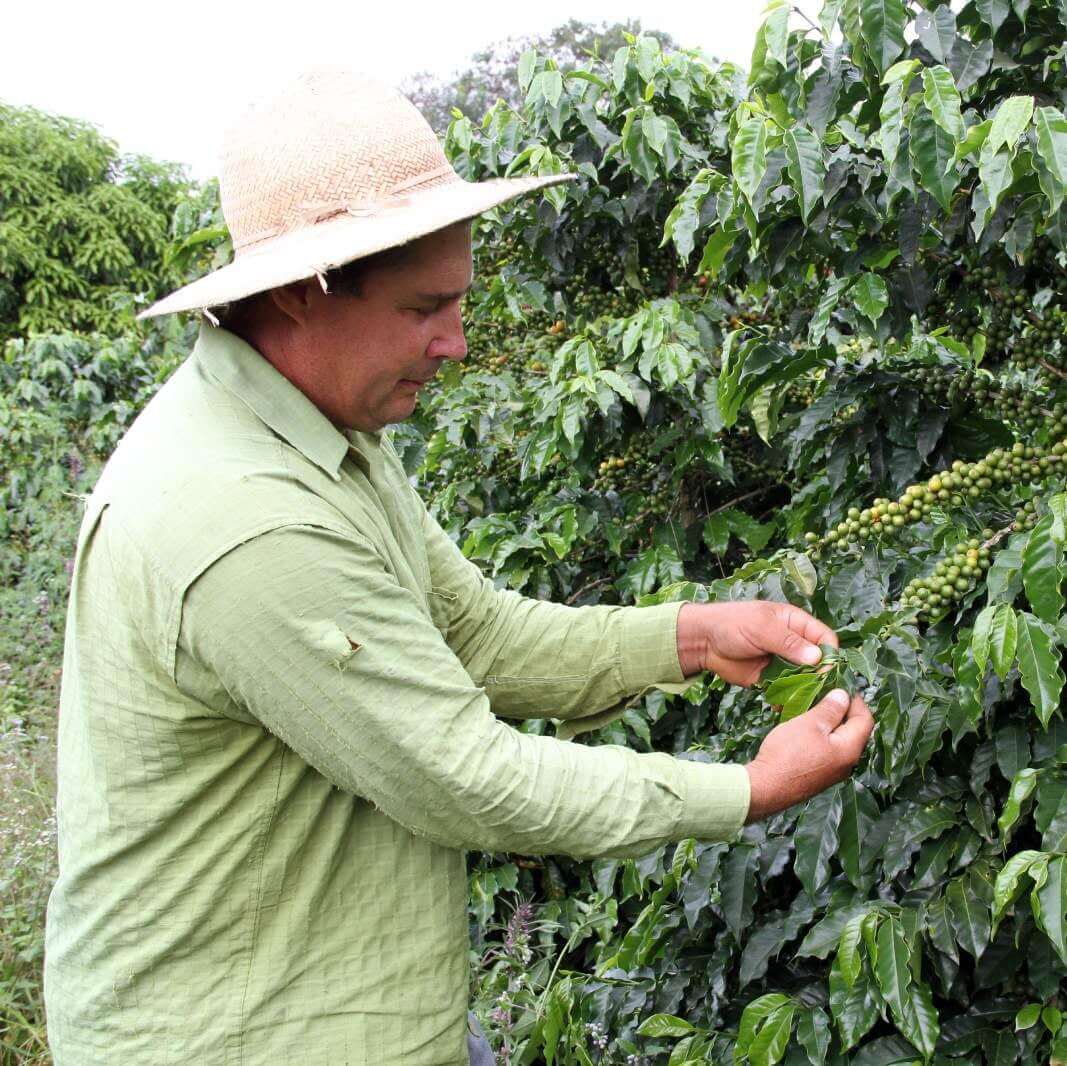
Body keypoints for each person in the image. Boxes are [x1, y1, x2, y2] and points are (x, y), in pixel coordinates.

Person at [42, 68, 874, 1066]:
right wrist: (742, 790)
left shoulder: (320, 427)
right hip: (244, 1034)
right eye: (423, 308)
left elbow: (473, 633)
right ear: (305, 292)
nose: (456, 342)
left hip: (358, 1000)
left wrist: (692, 636)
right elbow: (462, 777)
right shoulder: (246, 516)